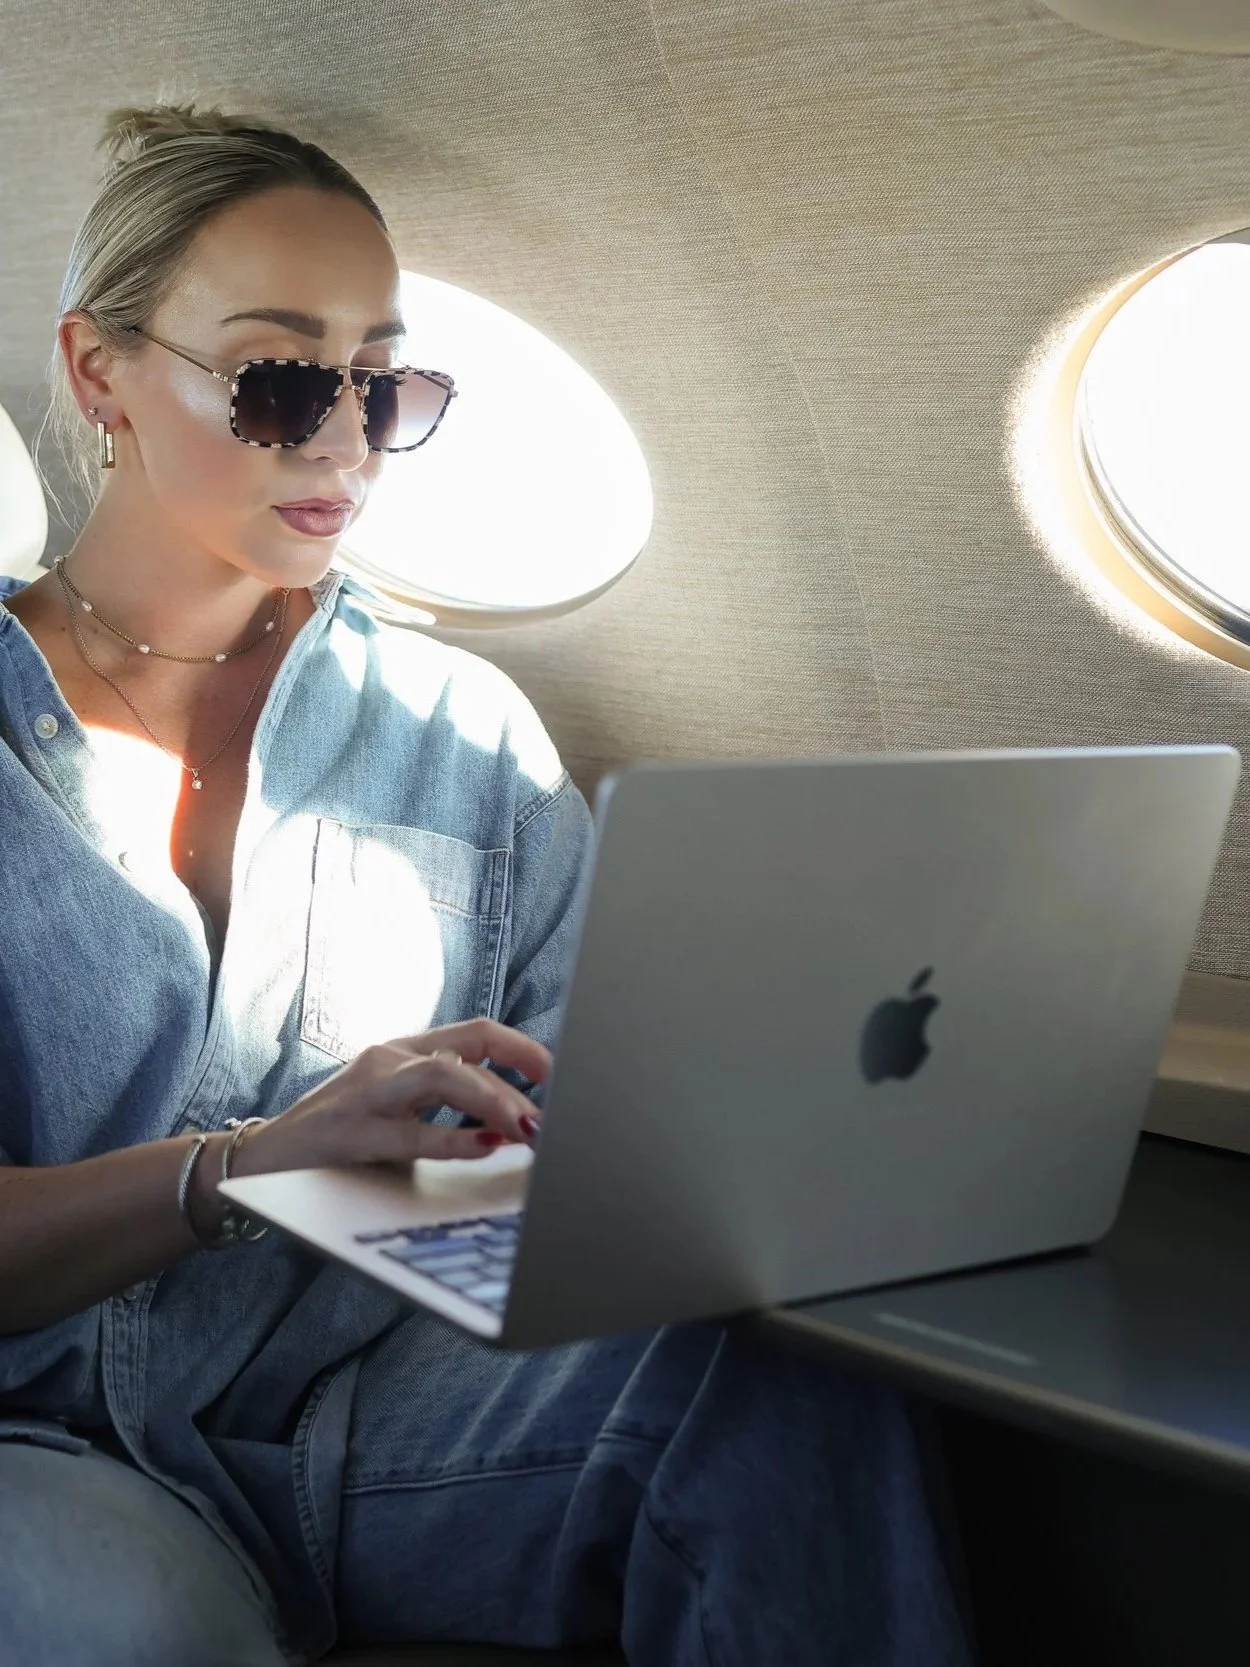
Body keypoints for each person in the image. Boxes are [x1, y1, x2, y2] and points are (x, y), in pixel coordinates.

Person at [0, 103, 974, 1667]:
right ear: (97, 369)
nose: (343, 437)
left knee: (778, 1371)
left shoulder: (462, 730)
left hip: (375, 1411)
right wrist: (245, 1163)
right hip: (36, 1436)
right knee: (121, 1625)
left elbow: (578, 1109)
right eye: (278, 375)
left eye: (387, 384)